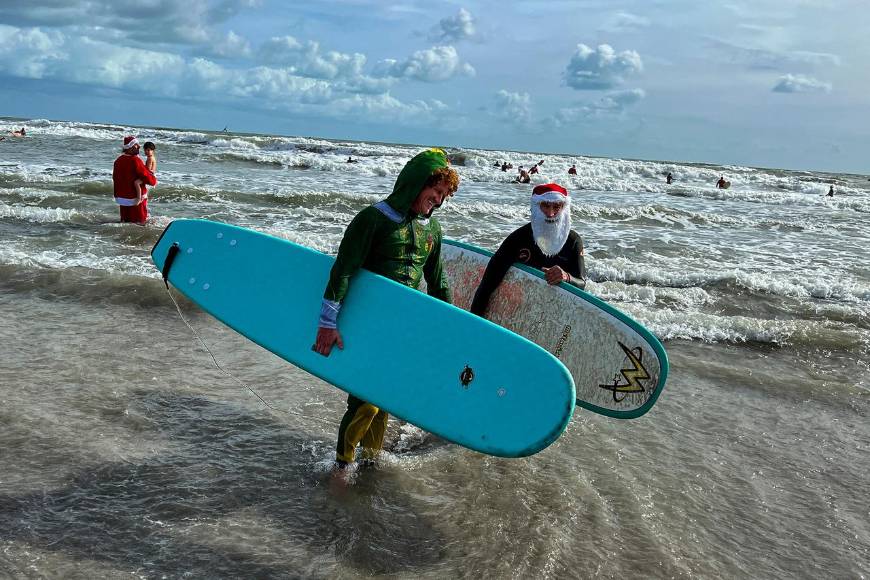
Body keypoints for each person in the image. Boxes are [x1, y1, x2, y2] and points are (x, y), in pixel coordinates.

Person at [312, 148, 459, 475]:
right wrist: (327, 323)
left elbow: (438, 281)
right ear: (416, 184)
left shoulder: (432, 231)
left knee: (385, 399)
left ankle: (369, 463)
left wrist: (452, 329)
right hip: (368, 323)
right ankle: (341, 467)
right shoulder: (373, 219)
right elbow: (343, 271)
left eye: (444, 196)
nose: (439, 201)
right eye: (435, 192)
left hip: (405, 328)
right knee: (366, 398)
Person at [471, 183, 585, 317]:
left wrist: (567, 277)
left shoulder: (573, 241)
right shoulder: (518, 239)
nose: (550, 213)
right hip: (520, 311)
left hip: (557, 313)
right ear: (536, 207)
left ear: (563, 209)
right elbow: (487, 286)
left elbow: (581, 284)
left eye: (556, 207)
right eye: (545, 206)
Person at [112, 136, 156, 224]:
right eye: (136, 145)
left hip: (122, 198)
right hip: (136, 199)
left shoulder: (118, 160)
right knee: (140, 223)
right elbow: (146, 176)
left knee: (125, 222)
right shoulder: (135, 160)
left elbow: (115, 178)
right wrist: (153, 180)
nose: (139, 146)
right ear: (131, 147)